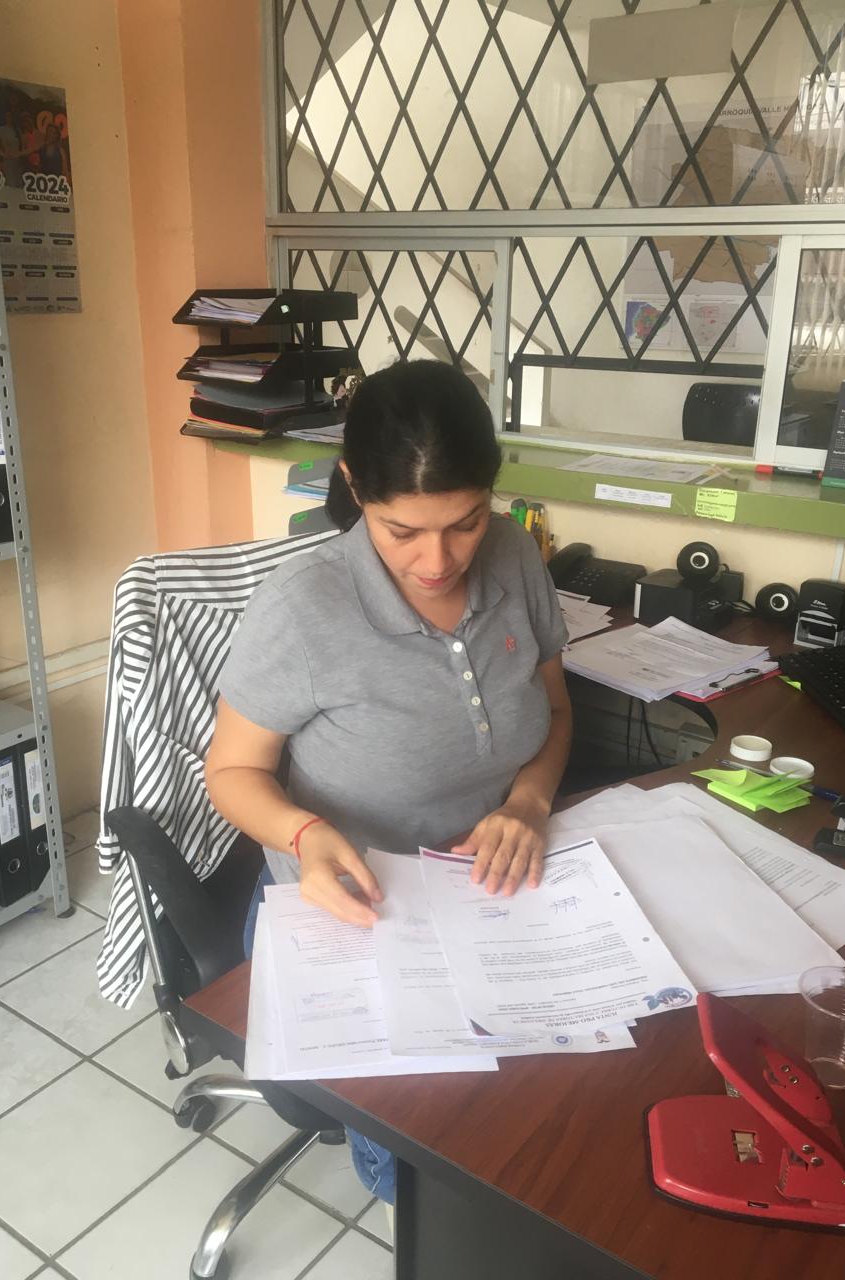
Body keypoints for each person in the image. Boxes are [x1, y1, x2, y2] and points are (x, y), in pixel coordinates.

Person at [205, 358, 572, 1203]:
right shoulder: (303, 607)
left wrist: (528, 801)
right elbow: (230, 770)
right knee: (434, 1173)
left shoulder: (515, 556)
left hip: (489, 891)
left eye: (465, 522)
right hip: (359, 907)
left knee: (555, 1120)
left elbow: (554, 711)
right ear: (352, 487)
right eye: (401, 530)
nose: (438, 559)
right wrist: (304, 833)